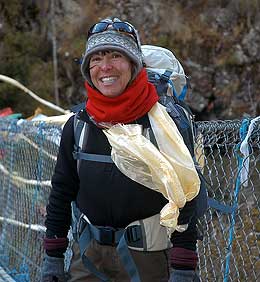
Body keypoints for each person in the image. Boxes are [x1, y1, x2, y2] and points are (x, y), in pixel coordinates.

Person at [41, 17, 202, 282]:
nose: (105, 67)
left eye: (116, 56)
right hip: (87, 258)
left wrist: (183, 266)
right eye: (96, 58)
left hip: (147, 259)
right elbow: (61, 191)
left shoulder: (164, 124)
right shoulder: (79, 125)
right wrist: (53, 257)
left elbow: (186, 195)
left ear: (134, 64)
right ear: (87, 69)